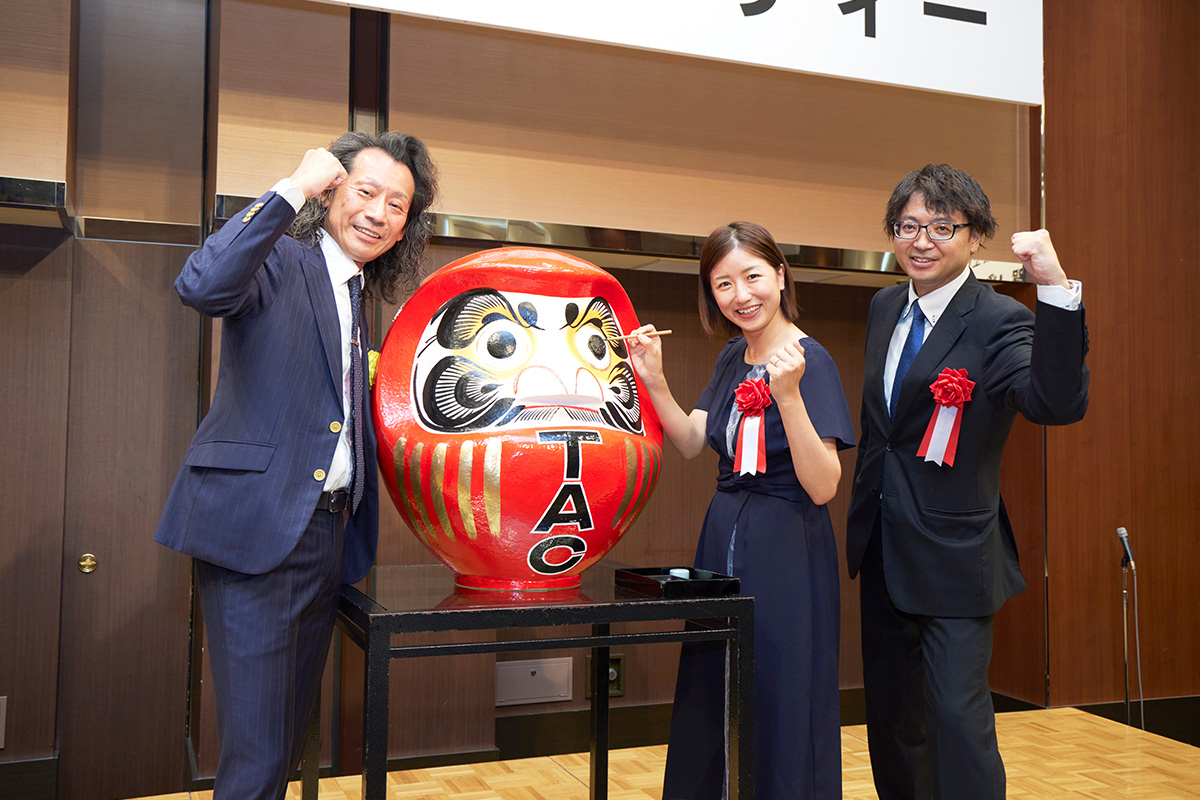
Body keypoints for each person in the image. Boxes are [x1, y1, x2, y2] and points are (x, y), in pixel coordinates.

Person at [154, 131, 438, 800]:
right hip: (258, 531)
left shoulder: (358, 297)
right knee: (258, 754)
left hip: (327, 539)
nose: (378, 213)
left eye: (397, 205)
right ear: (332, 191)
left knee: (281, 744)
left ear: (405, 228)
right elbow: (201, 283)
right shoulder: (280, 259)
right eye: (366, 192)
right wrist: (291, 188)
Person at [846, 164, 1089, 799]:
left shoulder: (1000, 320)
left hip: (955, 556)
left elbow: (1055, 403)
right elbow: (885, 432)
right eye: (908, 227)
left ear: (975, 236)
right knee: (893, 722)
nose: (921, 241)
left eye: (941, 227)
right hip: (881, 545)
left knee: (957, 721)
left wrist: (1054, 288)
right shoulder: (883, 306)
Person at [628, 221, 856, 799]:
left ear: (780, 275)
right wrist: (653, 379)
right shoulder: (734, 355)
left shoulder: (810, 360)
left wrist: (789, 396)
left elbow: (824, 485)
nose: (741, 295)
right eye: (723, 284)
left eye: (752, 276)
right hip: (722, 538)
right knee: (714, 684)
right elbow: (690, 441)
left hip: (787, 545)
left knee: (782, 688)